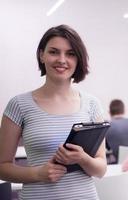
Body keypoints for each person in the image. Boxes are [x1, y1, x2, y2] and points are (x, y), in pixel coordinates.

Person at [0, 25, 106, 199]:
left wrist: (83, 159)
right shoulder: (18, 104)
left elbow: (101, 169)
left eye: (70, 54)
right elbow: (2, 167)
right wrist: (37, 174)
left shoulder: (92, 104)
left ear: (78, 59)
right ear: (42, 55)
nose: (62, 60)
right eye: (54, 52)